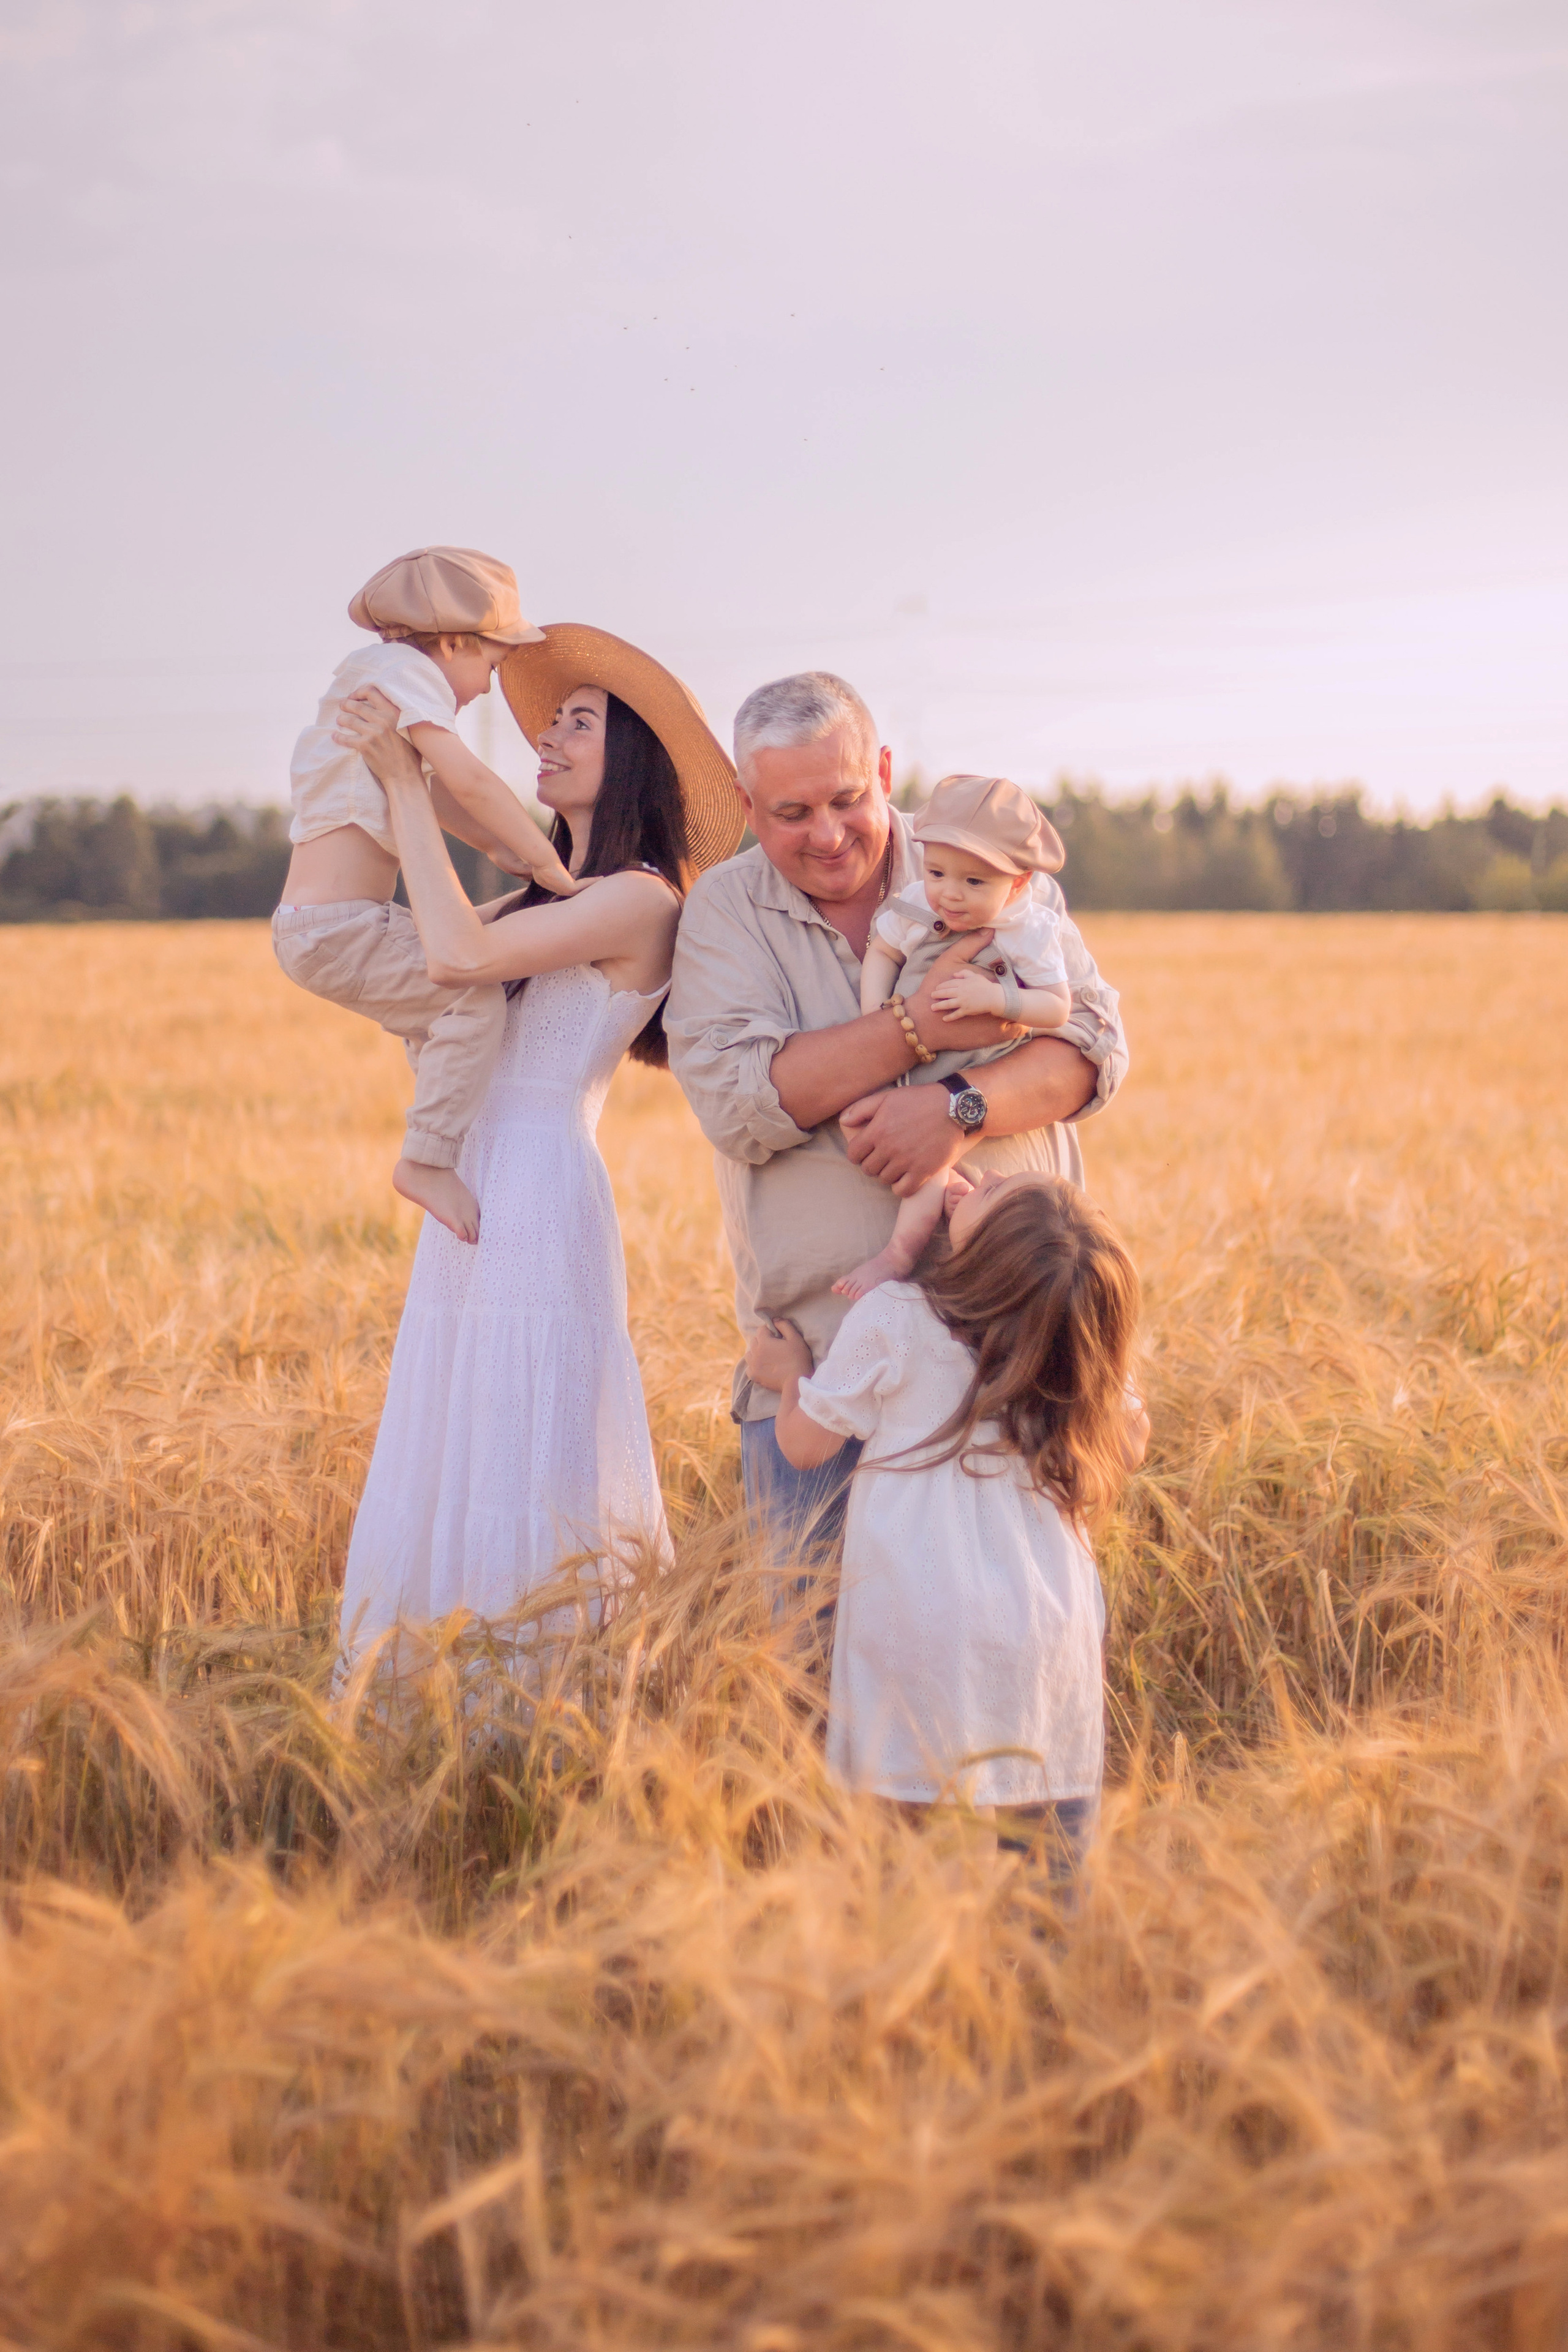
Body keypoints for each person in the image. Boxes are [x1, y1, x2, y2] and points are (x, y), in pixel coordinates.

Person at [328, 624, 744, 1659]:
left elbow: (455, 950)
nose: (548, 739)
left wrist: (411, 789)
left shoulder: (641, 896)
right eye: (549, 723)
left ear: (634, 757)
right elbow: (435, 973)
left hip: (540, 1188)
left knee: (528, 1441)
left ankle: (534, 1700)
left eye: (579, 723)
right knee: (463, 1427)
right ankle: (438, 1699)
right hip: (474, 1179)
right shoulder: (544, 891)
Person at [665, 670, 1128, 1593]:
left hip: (1018, 1356)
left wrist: (958, 1107)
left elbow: (1094, 1048)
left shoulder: (986, 858)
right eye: (793, 812)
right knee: (812, 1668)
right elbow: (742, 1102)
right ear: (749, 809)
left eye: (848, 798)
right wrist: (916, 1028)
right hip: (827, 1363)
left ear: (883, 769)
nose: (829, 834)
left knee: (1005, 1656)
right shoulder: (723, 911)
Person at [744, 1169, 1148, 1873]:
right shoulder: (1070, 1335)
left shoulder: (898, 1318)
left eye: (993, 1190)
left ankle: (919, 1961)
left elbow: (806, 1446)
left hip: (918, 1618)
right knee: (1044, 1826)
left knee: (903, 1835)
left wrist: (789, 1377)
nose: (982, 1171)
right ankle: (1050, 1964)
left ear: (982, 1257)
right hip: (1048, 1625)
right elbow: (1130, 1442)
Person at [274, 546, 581, 1246]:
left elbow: (433, 799)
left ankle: (452, 1133)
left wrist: (502, 853)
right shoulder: (406, 676)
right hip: (340, 927)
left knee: (448, 998)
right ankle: (428, 1158)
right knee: (470, 997)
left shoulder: (377, 683)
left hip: (330, 924)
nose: (486, 686)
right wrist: (549, 867)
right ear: (449, 642)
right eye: (492, 664)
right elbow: (467, 782)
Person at [837, 772, 1072, 1300]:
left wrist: (997, 1000)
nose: (950, 894)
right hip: (914, 1063)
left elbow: (1057, 1007)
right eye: (939, 871)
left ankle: (899, 1256)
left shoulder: (1028, 929)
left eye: (974, 883)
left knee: (939, 1174)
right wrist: (880, 1019)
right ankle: (950, 1198)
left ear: (1018, 885)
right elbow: (884, 951)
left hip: (983, 1070)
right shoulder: (922, 902)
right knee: (863, 1128)